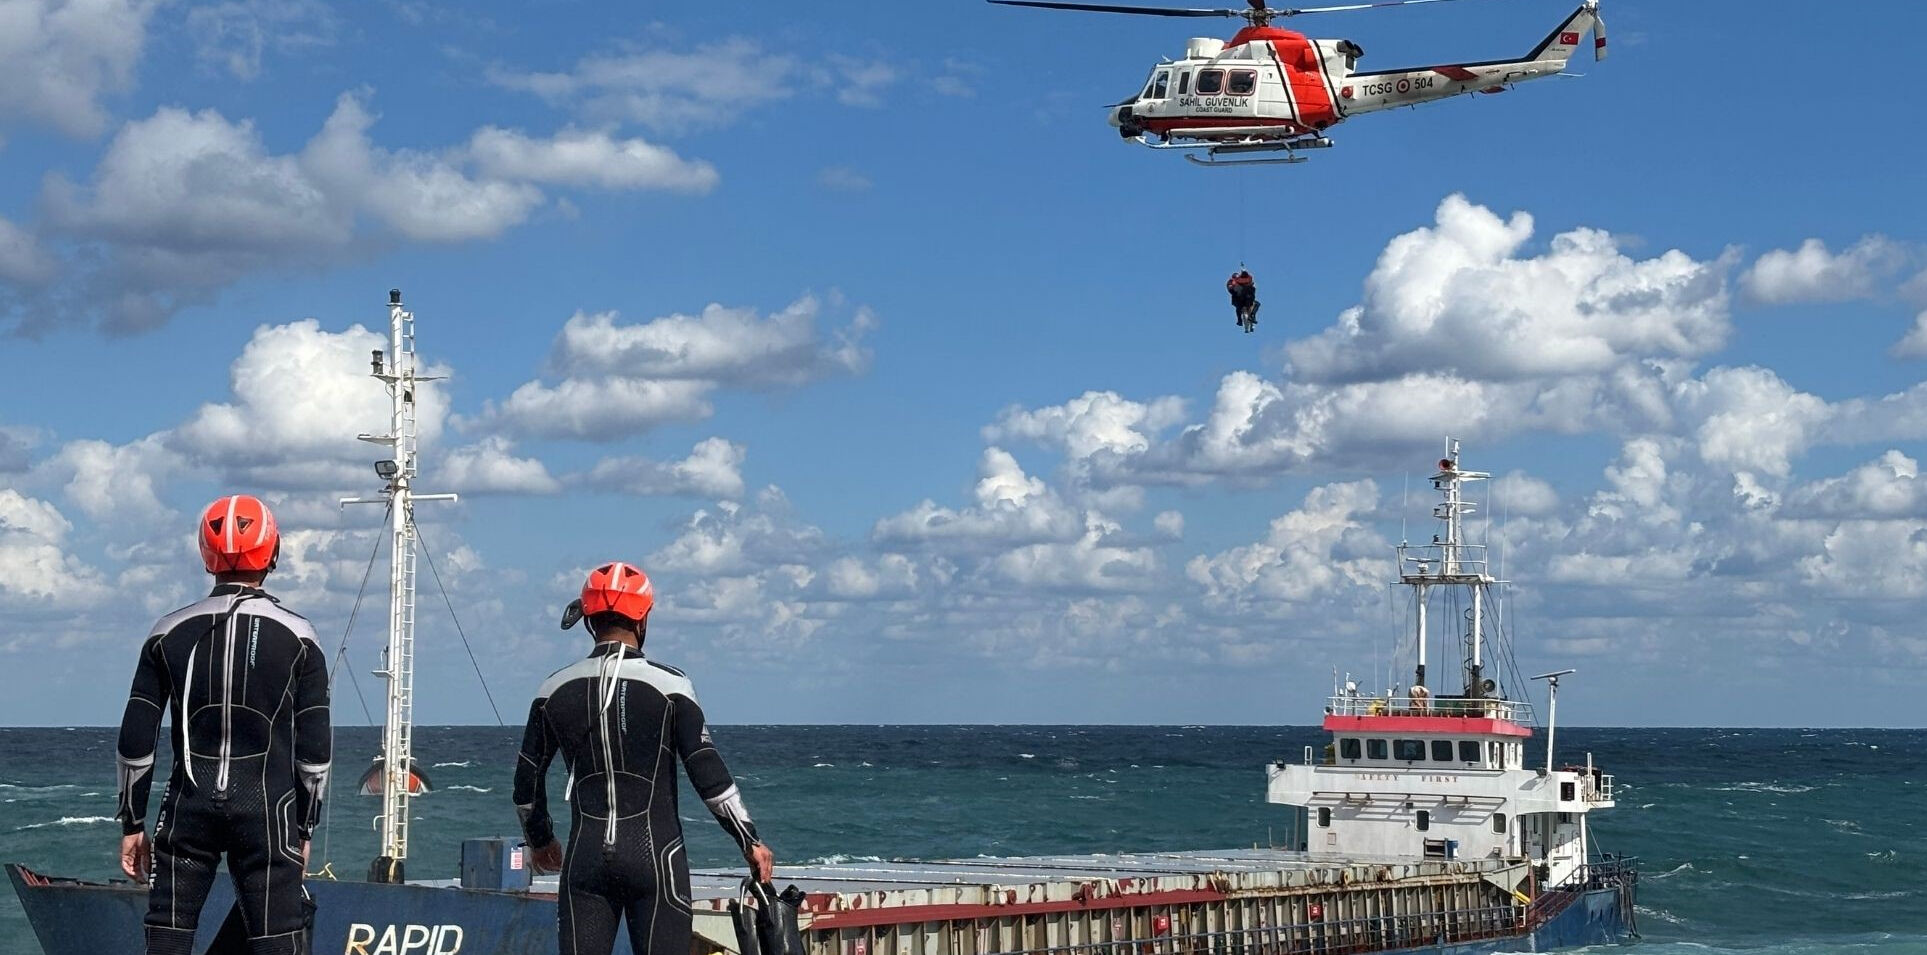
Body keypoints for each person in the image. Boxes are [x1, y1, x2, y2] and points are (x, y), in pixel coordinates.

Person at [515, 561, 776, 955]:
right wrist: (749, 840)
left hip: (584, 860)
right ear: (643, 619)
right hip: (657, 857)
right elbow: (708, 774)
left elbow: (525, 787)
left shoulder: (551, 689)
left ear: (589, 619)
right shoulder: (671, 685)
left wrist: (540, 840)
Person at [115, 495, 331, 955]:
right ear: (273, 551)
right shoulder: (301, 637)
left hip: (187, 810)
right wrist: (305, 828)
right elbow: (315, 753)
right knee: (278, 942)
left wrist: (132, 822)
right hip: (269, 814)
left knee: (168, 941)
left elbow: (136, 744)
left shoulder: (165, 632)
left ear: (205, 555)